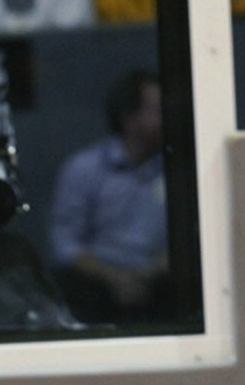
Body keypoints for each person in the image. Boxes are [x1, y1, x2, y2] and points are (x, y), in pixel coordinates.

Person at [49, 75, 169, 326]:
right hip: (95, 281)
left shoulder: (179, 171)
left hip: (159, 280)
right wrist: (114, 278)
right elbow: (65, 243)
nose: (168, 119)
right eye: (158, 111)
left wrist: (145, 275)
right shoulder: (83, 169)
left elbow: (194, 238)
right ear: (129, 119)